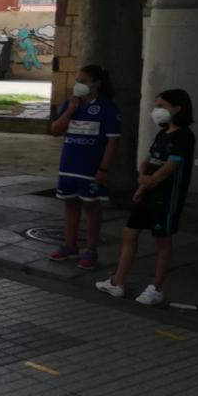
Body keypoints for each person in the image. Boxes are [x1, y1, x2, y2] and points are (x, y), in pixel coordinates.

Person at [96, 89, 194, 306]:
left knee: (162, 241)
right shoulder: (163, 133)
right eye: (156, 105)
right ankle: (117, 282)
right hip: (148, 192)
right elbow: (149, 159)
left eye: (162, 105)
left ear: (178, 108)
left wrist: (152, 180)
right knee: (130, 234)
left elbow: (170, 166)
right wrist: (141, 180)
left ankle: (156, 288)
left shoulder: (184, 136)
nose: (157, 110)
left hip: (166, 197)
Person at [48, 65, 120, 270]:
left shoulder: (107, 107)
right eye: (77, 80)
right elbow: (54, 130)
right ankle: (69, 246)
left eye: (84, 81)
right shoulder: (71, 104)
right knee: (70, 204)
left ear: (96, 83)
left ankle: (91, 250)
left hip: (91, 168)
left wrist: (104, 169)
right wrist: (70, 110)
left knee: (91, 207)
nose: (78, 85)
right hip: (69, 165)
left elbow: (113, 142)